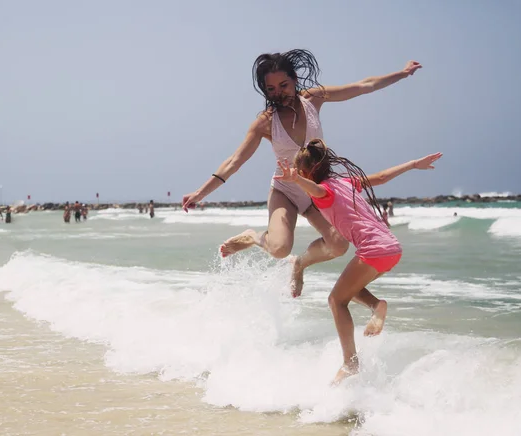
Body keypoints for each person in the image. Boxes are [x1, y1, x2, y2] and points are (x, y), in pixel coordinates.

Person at [182, 49, 423, 297]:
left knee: (338, 245)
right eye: (271, 89)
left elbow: (364, 86)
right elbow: (234, 161)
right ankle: (253, 237)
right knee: (279, 248)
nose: (279, 93)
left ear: (295, 80)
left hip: (316, 191)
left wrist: (403, 74)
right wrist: (200, 193)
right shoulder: (265, 123)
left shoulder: (314, 100)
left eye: (284, 85)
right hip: (285, 191)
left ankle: (299, 264)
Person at [273, 138, 441, 385]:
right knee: (349, 290)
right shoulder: (345, 183)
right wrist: (414, 164)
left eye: (301, 171)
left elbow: (317, 190)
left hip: (373, 251)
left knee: (335, 300)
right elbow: (382, 177)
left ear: (308, 172)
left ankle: (351, 362)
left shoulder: (325, 192)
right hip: (392, 248)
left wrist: (296, 180)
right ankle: (375, 307)